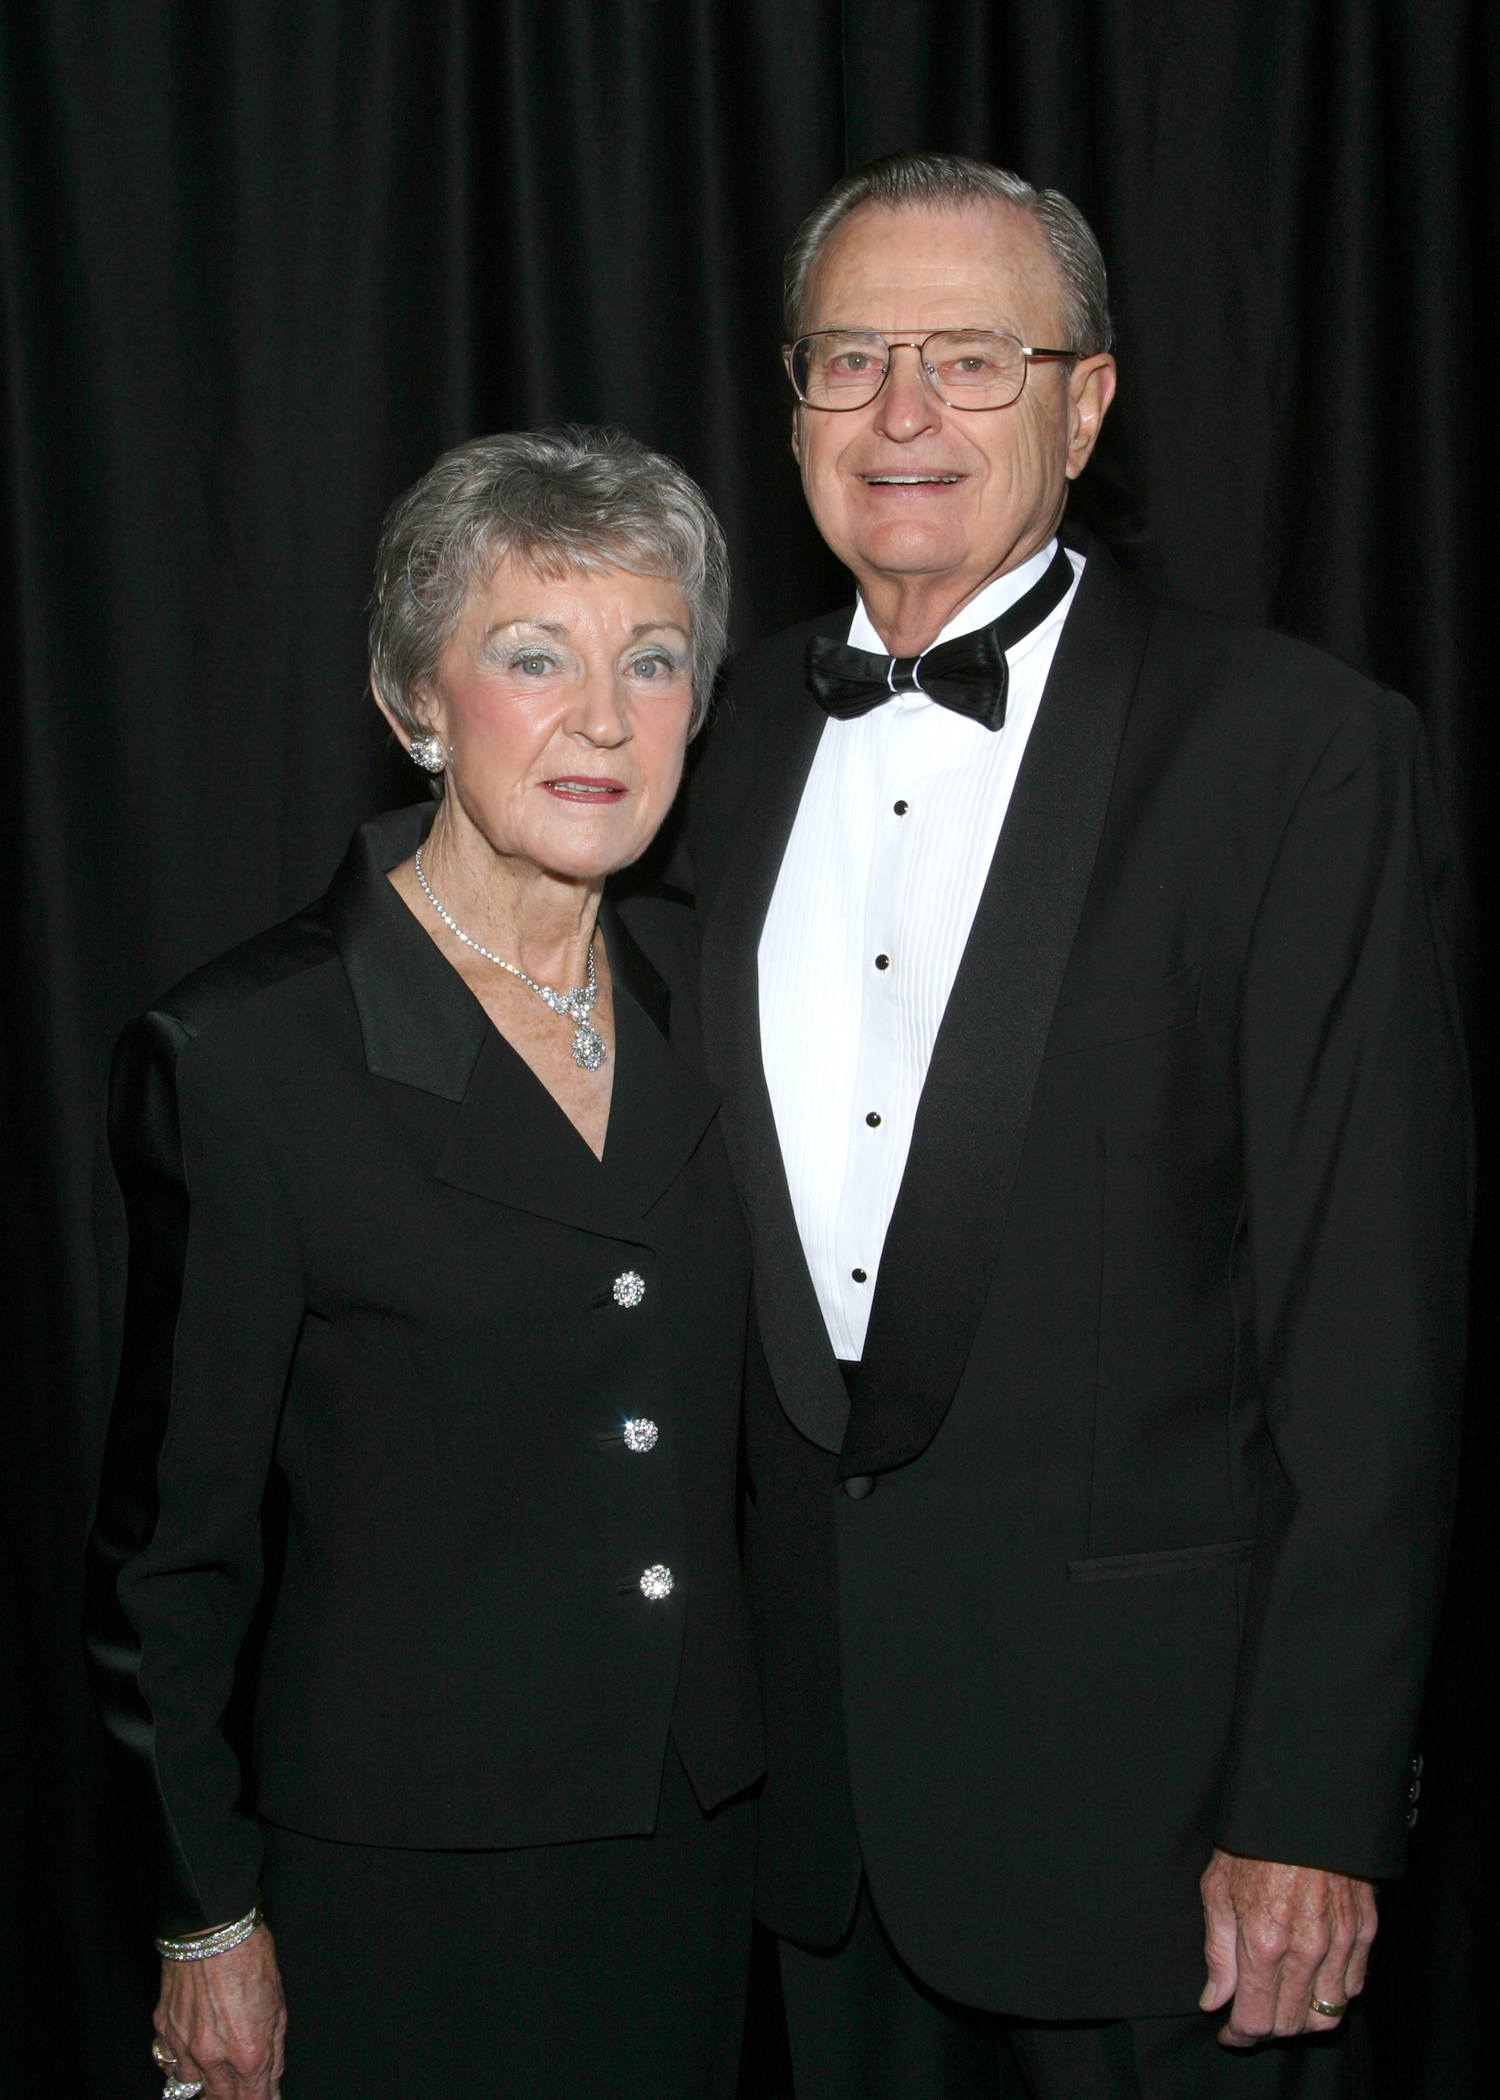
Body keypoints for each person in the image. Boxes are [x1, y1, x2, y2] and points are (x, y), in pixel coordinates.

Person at [685, 151, 1471, 2099]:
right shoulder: (703, 742)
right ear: (791, 400)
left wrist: (1314, 1790)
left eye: (968, 356)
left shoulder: (1298, 752)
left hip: (1175, 1838)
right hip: (817, 1818)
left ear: (1087, 400)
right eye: (851, 357)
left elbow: (1369, 1323)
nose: (902, 414)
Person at [86, 426, 764, 2100]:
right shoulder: (248, 1054)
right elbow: (169, 1558)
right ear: (413, 701)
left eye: (654, 659)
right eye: (533, 657)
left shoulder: (730, 992)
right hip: (402, 1880)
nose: (605, 717)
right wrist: (200, 1918)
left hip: (705, 1857)